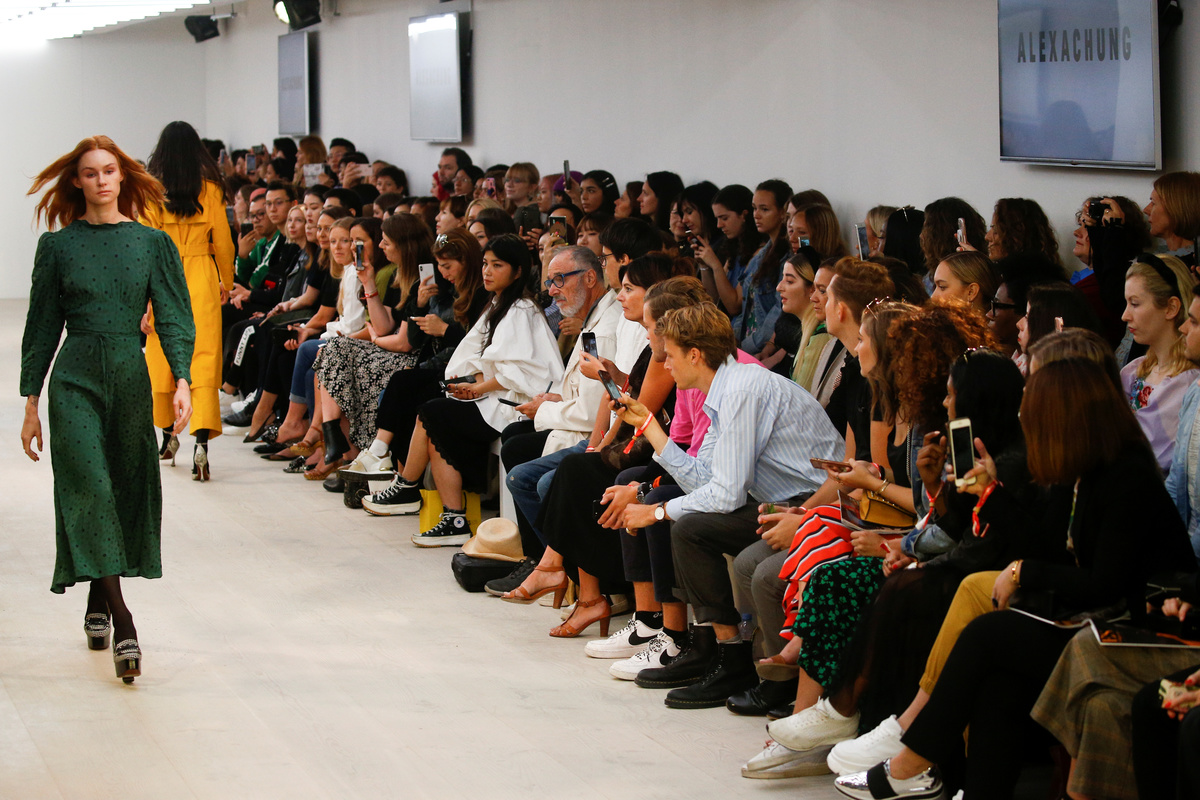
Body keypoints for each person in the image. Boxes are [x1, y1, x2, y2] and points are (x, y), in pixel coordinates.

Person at [834, 358, 1195, 800]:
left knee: (988, 634)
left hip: (1146, 630)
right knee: (998, 680)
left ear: (1068, 416)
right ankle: (952, 780)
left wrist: (1023, 570)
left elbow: (1101, 582)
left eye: (1036, 410)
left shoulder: (1125, 476)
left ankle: (909, 761)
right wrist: (991, 495)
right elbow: (1044, 546)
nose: (1027, 420)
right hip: (1097, 617)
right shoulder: (1081, 469)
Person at [20, 136, 196, 683]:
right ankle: (123, 621)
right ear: (76, 181)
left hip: (128, 377)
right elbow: (42, 326)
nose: (101, 180)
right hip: (74, 377)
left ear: (123, 177)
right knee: (90, 489)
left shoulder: (151, 244)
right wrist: (31, 402)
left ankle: (97, 596)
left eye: (109, 171)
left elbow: (174, 314)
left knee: (119, 488)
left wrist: (184, 380)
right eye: (90, 172)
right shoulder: (58, 247)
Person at [613, 302, 844, 709]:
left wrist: (656, 512)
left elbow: (726, 495)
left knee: (684, 523)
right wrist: (649, 426)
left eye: (670, 355)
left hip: (815, 506)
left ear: (694, 355)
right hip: (780, 502)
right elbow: (706, 481)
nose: (665, 364)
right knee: (684, 519)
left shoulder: (740, 391)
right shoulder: (725, 387)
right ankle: (723, 653)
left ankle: (733, 658)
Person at [367, 234, 565, 546]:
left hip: (517, 404)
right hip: (496, 396)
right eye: (485, 264)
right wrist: (473, 385)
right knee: (434, 412)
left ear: (517, 271)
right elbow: (483, 359)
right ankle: (447, 514)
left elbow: (520, 373)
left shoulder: (521, 309)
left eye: (497, 265)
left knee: (433, 413)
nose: (487, 271)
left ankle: (417, 492)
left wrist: (477, 388)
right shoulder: (500, 304)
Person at [141, 121, 234, 481]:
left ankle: (168, 434)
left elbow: (144, 244)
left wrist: (143, 299)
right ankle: (201, 445)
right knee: (204, 358)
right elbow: (223, 241)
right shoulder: (211, 189)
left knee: (162, 354)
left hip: (163, 276)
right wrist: (227, 281)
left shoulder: (150, 191)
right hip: (201, 276)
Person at [1120, 254, 1199, 473]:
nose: (1125, 315)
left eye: (1135, 304)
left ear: (1171, 307)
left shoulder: (1187, 383)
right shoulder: (1133, 371)